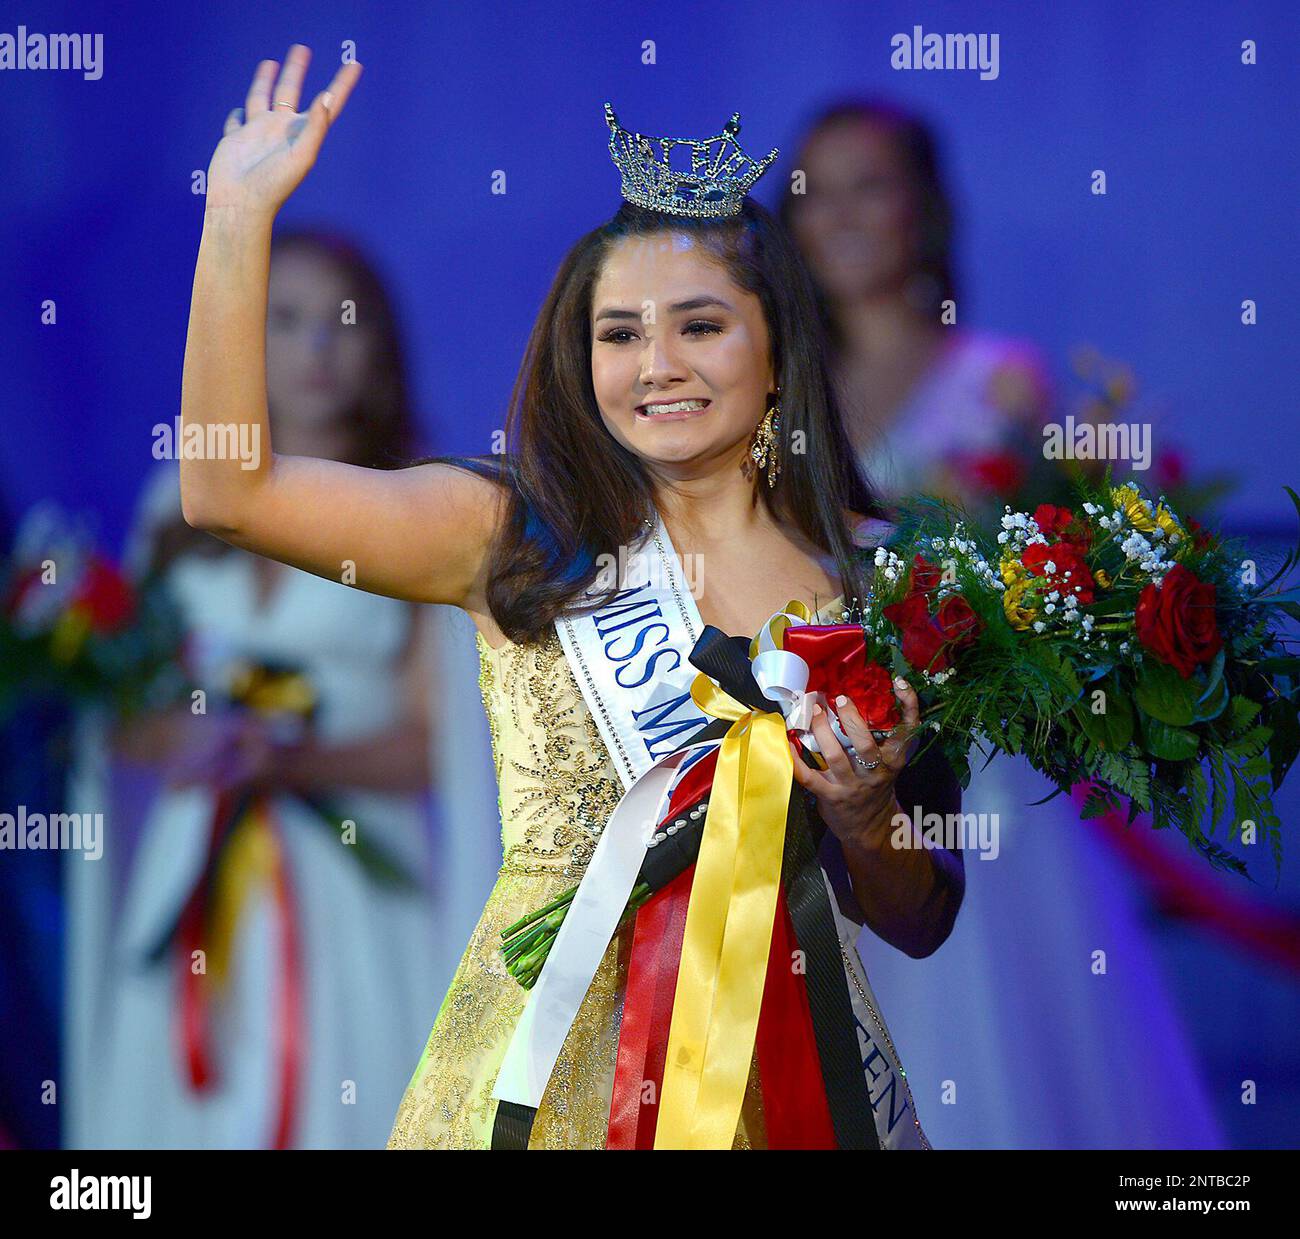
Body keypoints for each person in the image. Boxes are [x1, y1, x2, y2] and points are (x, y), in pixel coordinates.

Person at [178, 47, 966, 1150]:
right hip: (548, 1090)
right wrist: (237, 216)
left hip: (788, 1082)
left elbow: (920, 919)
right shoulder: (515, 533)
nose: (657, 366)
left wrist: (863, 814)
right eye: (619, 334)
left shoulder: (879, 582)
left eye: (699, 326)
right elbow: (227, 490)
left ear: (777, 350)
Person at [780, 98, 1224, 1148]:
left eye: (869, 185)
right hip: (830, 765)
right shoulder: (779, 391)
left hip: (977, 776)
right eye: (815, 190)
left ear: (922, 209)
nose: (839, 215)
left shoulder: (1001, 382)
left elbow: (1060, 585)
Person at [78, 229, 447, 1149]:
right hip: (192, 861)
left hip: (358, 878)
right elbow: (125, 713)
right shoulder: (178, 501)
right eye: (285, 320)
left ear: (381, 343)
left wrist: (295, 760)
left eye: (341, 322)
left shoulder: (427, 501)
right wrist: (182, 739)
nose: (316, 348)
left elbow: (439, 743)